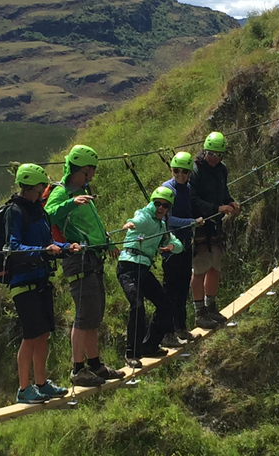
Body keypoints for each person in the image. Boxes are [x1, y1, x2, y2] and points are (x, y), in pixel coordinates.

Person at [45, 145, 125, 388]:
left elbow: (93, 227)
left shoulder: (82, 192)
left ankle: (95, 364)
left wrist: (108, 242)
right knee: (83, 315)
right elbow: (48, 215)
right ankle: (78, 369)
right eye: (91, 171)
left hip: (92, 259)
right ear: (83, 169)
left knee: (94, 314)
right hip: (77, 259)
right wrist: (71, 203)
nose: (93, 176)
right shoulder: (63, 192)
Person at [6, 163, 77, 404]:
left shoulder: (39, 211)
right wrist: (42, 251)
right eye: (40, 188)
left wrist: (68, 247)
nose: (42, 193)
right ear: (33, 186)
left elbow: (49, 242)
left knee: (43, 334)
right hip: (23, 281)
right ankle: (24, 389)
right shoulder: (14, 211)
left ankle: (41, 383)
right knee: (31, 335)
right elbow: (13, 247)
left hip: (41, 278)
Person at [117, 187, 183, 368]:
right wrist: (130, 224)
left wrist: (170, 245)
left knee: (165, 305)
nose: (161, 208)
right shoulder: (145, 216)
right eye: (158, 204)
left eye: (165, 205)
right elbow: (137, 219)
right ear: (152, 204)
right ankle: (131, 353)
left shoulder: (162, 226)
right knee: (137, 307)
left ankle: (150, 345)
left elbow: (178, 245)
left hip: (143, 269)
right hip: (128, 267)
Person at [189, 132, 241, 328]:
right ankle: (199, 311)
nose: (215, 159)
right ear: (205, 151)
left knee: (215, 267)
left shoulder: (221, 170)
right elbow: (193, 200)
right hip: (200, 224)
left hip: (216, 224)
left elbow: (223, 193)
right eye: (211, 154)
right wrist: (217, 208)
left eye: (219, 155)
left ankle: (211, 307)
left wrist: (230, 203)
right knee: (200, 268)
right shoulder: (195, 171)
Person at [160, 152, 204, 347]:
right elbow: (166, 218)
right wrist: (191, 223)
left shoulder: (187, 188)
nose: (180, 175)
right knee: (171, 290)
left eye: (184, 172)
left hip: (186, 244)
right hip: (170, 247)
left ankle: (181, 328)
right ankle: (167, 332)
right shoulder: (167, 190)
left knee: (182, 287)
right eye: (176, 171)